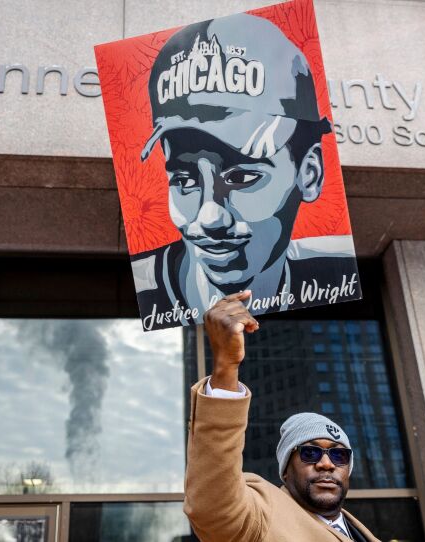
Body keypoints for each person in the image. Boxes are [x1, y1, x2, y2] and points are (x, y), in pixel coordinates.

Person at [131, 12, 359, 330]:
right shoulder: (140, 288)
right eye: (184, 179)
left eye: (241, 177)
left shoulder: (335, 269)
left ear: (309, 174)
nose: (210, 218)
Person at [183, 291, 380, 541]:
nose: (326, 463)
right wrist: (226, 366)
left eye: (339, 455)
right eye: (310, 452)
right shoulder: (263, 514)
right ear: (286, 469)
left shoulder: (358, 531)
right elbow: (213, 506)